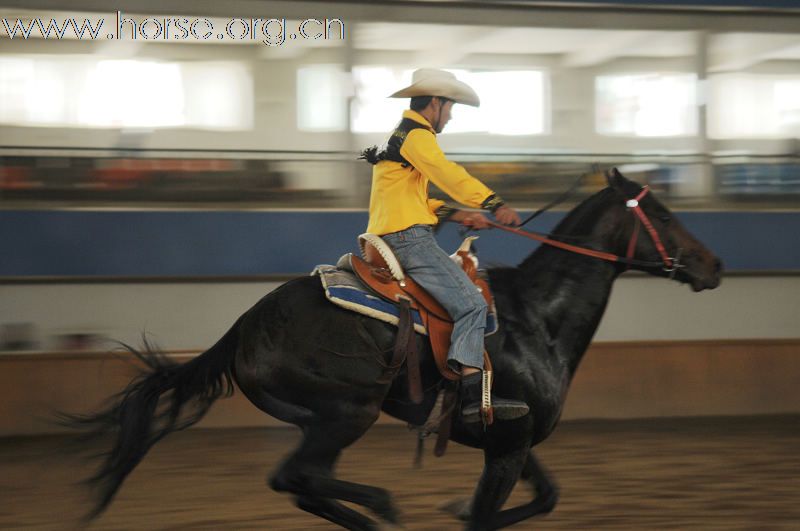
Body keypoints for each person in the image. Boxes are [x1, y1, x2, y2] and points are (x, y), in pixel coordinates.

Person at [361, 68, 529, 424]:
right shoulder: (418, 137)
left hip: (395, 233)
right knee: (471, 304)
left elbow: (415, 200)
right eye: (450, 107)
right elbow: (449, 173)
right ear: (435, 103)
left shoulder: (403, 137)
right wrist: (492, 202)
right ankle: (470, 392)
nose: (450, 116)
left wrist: (456, 213)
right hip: (408, 239)